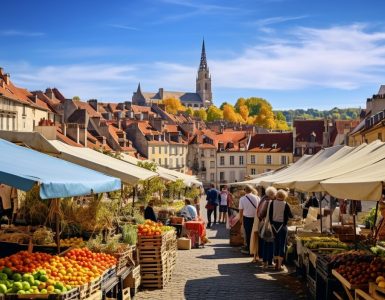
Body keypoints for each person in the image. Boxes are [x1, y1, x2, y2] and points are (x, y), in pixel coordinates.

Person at [268, 189, 293, 270]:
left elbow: (270, 214)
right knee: (282, 245)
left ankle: (275, 262)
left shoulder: (272, 203)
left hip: (274, 226)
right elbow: (290, 216)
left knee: (276, 243)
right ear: (284, 196)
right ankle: (279, 265)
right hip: (282, 226)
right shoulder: (286, 204)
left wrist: (272, 223)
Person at [256, 186, 277, 267]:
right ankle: (269, 261)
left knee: (265, 243)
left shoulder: (264, 200)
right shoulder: (270, 202)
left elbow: (260, 214)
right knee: (271, 243)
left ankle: (264, 261)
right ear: (272, 194)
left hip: (265, 225)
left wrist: (262, 219)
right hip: (270, 226)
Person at [238, 185, 259, 255]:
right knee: (255, 233)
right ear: (252, 190)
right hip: (256, 218)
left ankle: (249, 249)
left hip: (247, 218)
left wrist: (240, 218)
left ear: (245, 190)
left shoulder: (242, 199)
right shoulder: (257, 198)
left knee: (248, 233)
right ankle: (255, 249)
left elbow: (241, 210)